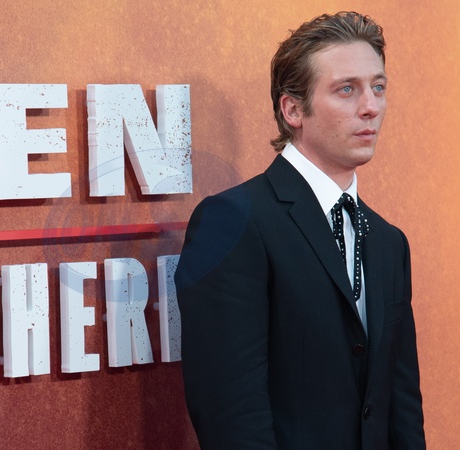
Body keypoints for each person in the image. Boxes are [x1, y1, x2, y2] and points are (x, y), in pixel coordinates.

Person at [175, 11, 425, 449]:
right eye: (346, 89)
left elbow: (401, 408)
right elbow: (231, 414)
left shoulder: (389, 242)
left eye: (378, 87)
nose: (370, 106)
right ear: (293, 109)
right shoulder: (233, 221)